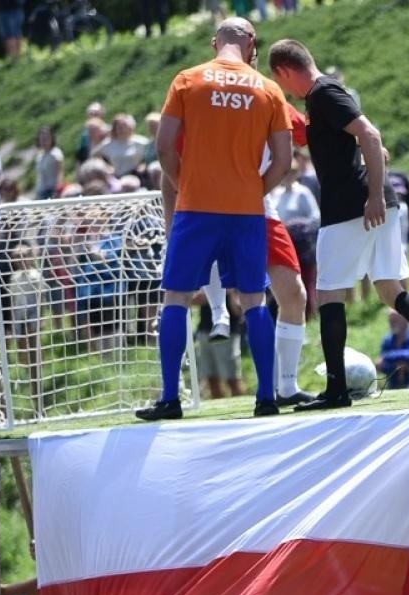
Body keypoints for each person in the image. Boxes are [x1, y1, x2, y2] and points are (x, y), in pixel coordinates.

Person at [269, 38, 409, 405]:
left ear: (285, 72)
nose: (287, 93)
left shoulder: (323, 92)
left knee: (328, 293)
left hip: (353, 206)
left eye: (282, 83)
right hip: (377, 203)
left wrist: (372, 193)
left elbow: (370, 135)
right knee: (390, 288)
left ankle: (337, 389)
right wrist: (373, 176)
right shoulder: (324, 94)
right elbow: (363, 140)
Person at [135, 19, 291, 422]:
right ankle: (266, 396)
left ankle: (170, 398)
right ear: (251, 44)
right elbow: (284, 160)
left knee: (176, 297)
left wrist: (185, 183)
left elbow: (164, 147)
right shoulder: (269, 89)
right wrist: (254, 190)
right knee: (254, 300)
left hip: (195, 207)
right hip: (245, 210)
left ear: (214, 42)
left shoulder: (188, 80)